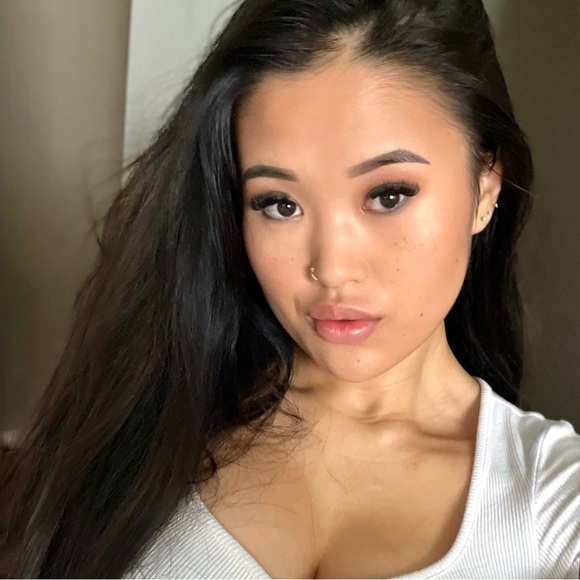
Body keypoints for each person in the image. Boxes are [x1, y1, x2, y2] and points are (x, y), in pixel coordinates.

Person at [1, 0, 579, 577]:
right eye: (280, 204)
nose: (332, 268)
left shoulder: (552, 502)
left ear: (485, 188)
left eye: (389, 195)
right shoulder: (142, 429)